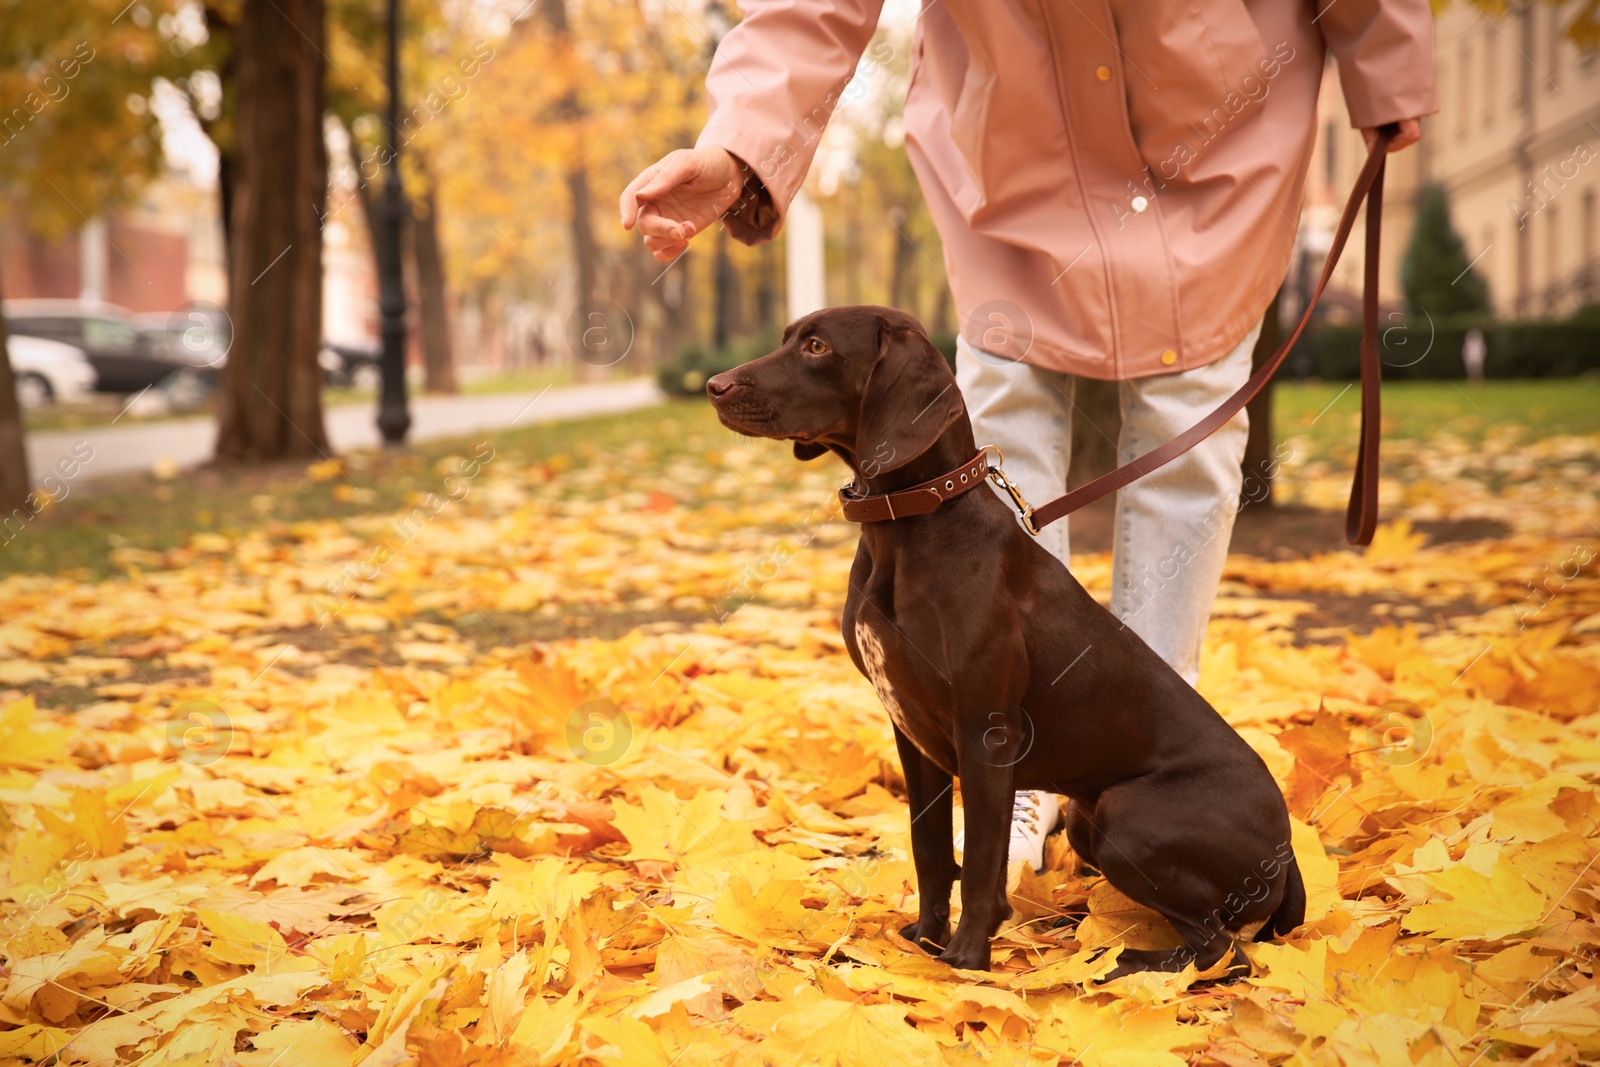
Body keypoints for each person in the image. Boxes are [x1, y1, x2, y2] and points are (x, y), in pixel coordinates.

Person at [620, 0, 1436, 871]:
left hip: (1216, 113)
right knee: (1002, 415)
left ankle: (1141, 760)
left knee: (1186, 428)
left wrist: (1383, 54)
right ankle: (1010, 785)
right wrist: (744, 141)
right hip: (1011, 131)